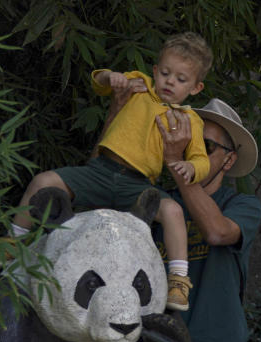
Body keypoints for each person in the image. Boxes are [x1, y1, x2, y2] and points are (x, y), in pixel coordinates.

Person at [11, 32, 213, 311]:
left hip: (137, 184)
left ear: (196, 88)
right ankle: (13, 240)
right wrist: (112, 78)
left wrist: (190, 166)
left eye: (181, 79)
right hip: (101, 170)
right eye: (166, 73)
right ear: (155, 70)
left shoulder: (190, 120)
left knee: (173, 211)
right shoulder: (139, 86)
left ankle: (178, 279)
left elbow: (203, 161)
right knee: (44, 181)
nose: (170, 82)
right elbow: (99, 81)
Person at [154, 98, 261, 342]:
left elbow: (217, 232)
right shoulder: (159, 204)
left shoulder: (243, 204)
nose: (195, 152)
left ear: (229, 161)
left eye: (208, 147)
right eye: (191, 142)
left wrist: (175, 165)